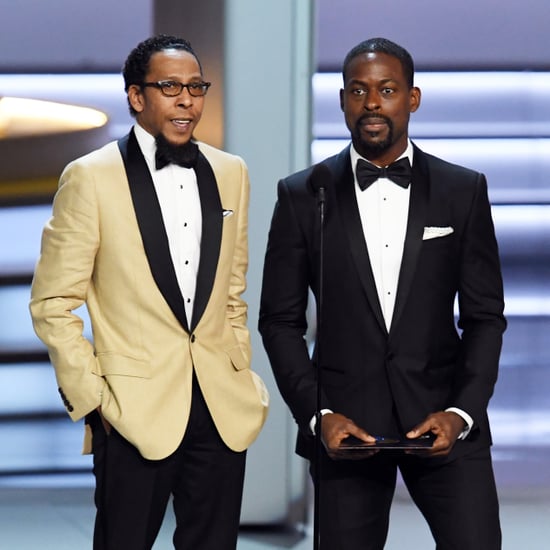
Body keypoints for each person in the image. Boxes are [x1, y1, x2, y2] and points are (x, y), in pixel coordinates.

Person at [259, 37, 505, 549]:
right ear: (343, 100)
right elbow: (280, 321)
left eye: (387, 89)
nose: (372, 103)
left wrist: (462, 413)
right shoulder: (303, 194)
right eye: (359, 90)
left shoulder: (463, 190)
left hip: (444, 420)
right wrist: (318, 414)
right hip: (346, 430)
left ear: (412, 99)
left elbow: (484, 317)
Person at [30, 34, 269, 550]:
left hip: (219, 406)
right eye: (169, 87)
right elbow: (52, 302)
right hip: (130, 409)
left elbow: (232, 289)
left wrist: (238, 364)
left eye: (195, 87)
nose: (187, 100)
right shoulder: (90, 178)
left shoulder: (232, 172)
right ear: (137, 97)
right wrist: (94, 398)